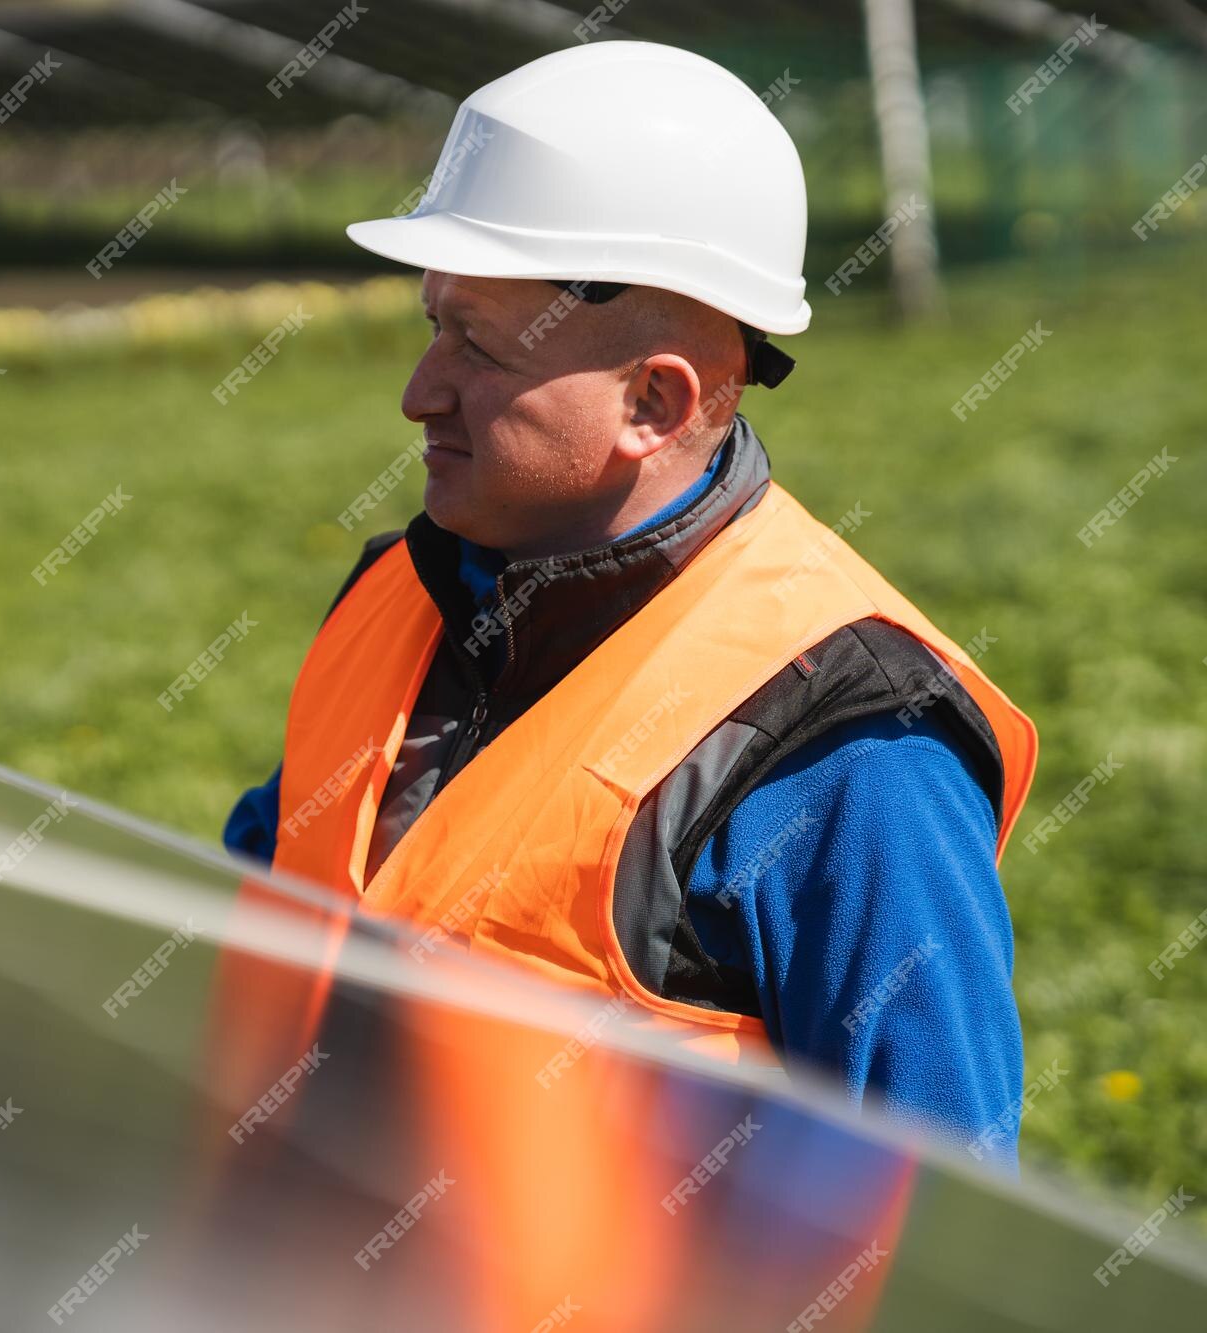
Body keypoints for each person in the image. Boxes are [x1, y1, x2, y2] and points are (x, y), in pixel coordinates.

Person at [221, 41, 1039, 1167]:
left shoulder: (847, 745)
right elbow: (264, 903)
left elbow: (943, 1227)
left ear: (653, 401)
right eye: (431, 324)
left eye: (478, 345)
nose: (419, 393)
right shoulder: (399, 594)